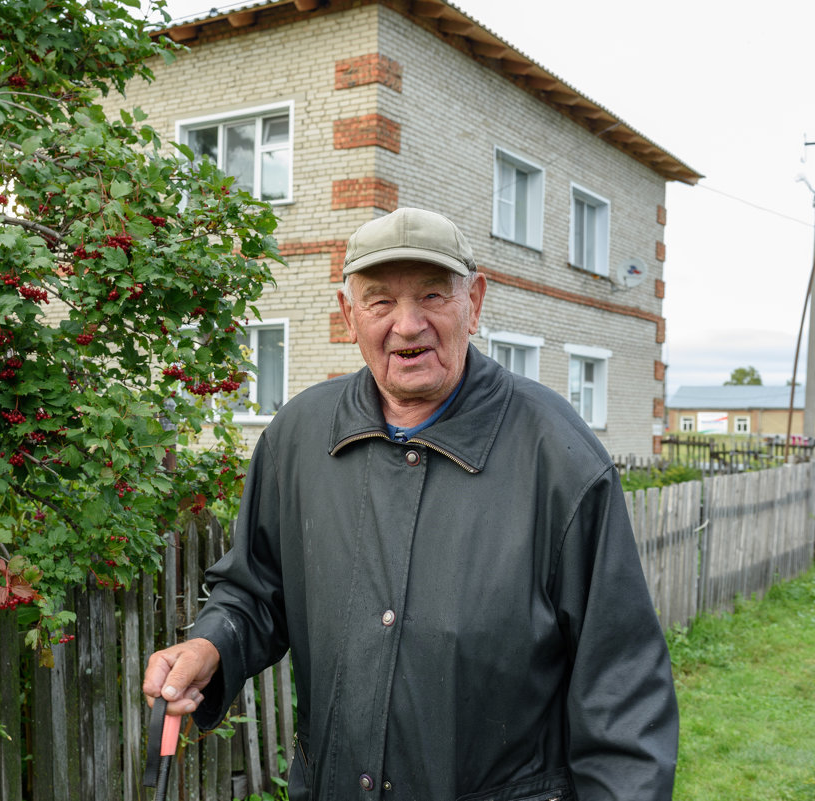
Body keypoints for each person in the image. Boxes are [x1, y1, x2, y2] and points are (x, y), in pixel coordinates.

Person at [143, 208, 679, 800]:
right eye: (379, 302)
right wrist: (210, 643)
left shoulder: (559, 456)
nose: (408, 324)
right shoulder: (298, 437)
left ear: (473, 303)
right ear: (349, 315)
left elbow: (621, 689)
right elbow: (255, 590)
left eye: (432, 295)